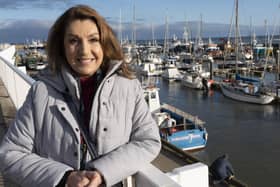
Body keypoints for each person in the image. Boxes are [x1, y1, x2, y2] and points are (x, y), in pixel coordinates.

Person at [0, 5, 161, 187]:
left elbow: (149, 141)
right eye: (74, 41)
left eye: (93, 39)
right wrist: (65, 177)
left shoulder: (128, 87)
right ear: (62, 46)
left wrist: (102, 172)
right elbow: (10, 154)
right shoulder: (41, 92)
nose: (84, 51)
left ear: (104, 43)